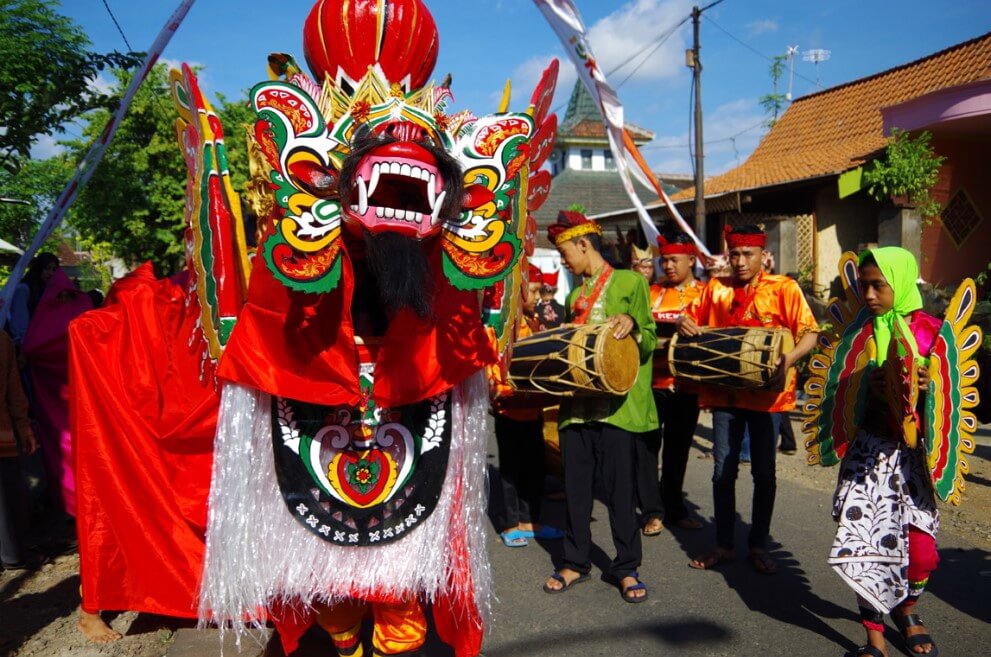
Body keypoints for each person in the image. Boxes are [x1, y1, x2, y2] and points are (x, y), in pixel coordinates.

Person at [678, 224, 818, 575]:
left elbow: (810, 333)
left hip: (768, 399)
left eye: (747, 254)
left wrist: (786, 359)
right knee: (722, 472)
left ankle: (759, 544)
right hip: (725, 394)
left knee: (764, 474)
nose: (740, 262)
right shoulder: (715, 288)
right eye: (734, 255)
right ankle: (724, 544)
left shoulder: (783, 287)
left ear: (762, 255)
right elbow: (688, 317)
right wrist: (684, 322)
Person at [829, 248, 942, 657]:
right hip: (868, 454)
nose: (870, 295)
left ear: (902, 282)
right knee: (868, 548)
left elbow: (954, 398)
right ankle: (874, 635)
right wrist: (865, 388)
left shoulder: (932, 332)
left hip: (914, 458)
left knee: (922, 554)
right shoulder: (859, 332)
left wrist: (931, 387)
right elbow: (837, 388)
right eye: (864, 286)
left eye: (879, 286)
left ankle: (907, 607)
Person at [541, 210, 656, 603]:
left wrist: (632, 322)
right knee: (575, 489)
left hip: (617, 408)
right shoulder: (574, 294)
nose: (562, 261)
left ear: (583, 244)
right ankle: (575, 561)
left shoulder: (631, 282)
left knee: (620, 492)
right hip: (577, 407)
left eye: (563, 252)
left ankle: (626, 567)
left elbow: (650, 338)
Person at [636, 232, 706, 536]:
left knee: (678, 450)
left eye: (674, 259)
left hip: (688, 385)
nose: (668, 265)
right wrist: (672, 322)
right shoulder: (650, 292)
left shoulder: (705, 293)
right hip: (653, 383)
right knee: (648, 449)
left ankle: (674, 507)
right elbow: (640, 324)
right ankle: (652, 511)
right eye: (664, 260)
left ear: (691, 260)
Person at [491, 264, 562, 547]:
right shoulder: (503, 324)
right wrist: (496, 388)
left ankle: (532, 518)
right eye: (531, 290)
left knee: (535, 466)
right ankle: (510, 523)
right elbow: (492, 362)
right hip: (509, 406)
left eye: (537, 290)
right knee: (511, 468)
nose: (536, 295)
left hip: (534, 405)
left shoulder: (535, 322)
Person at [0, 331, 38, 571]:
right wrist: (23, 426)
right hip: (3, 431)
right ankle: (12, 553)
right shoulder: (2, 339)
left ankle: (12, 553)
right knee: (8, 498)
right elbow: (14, 391)